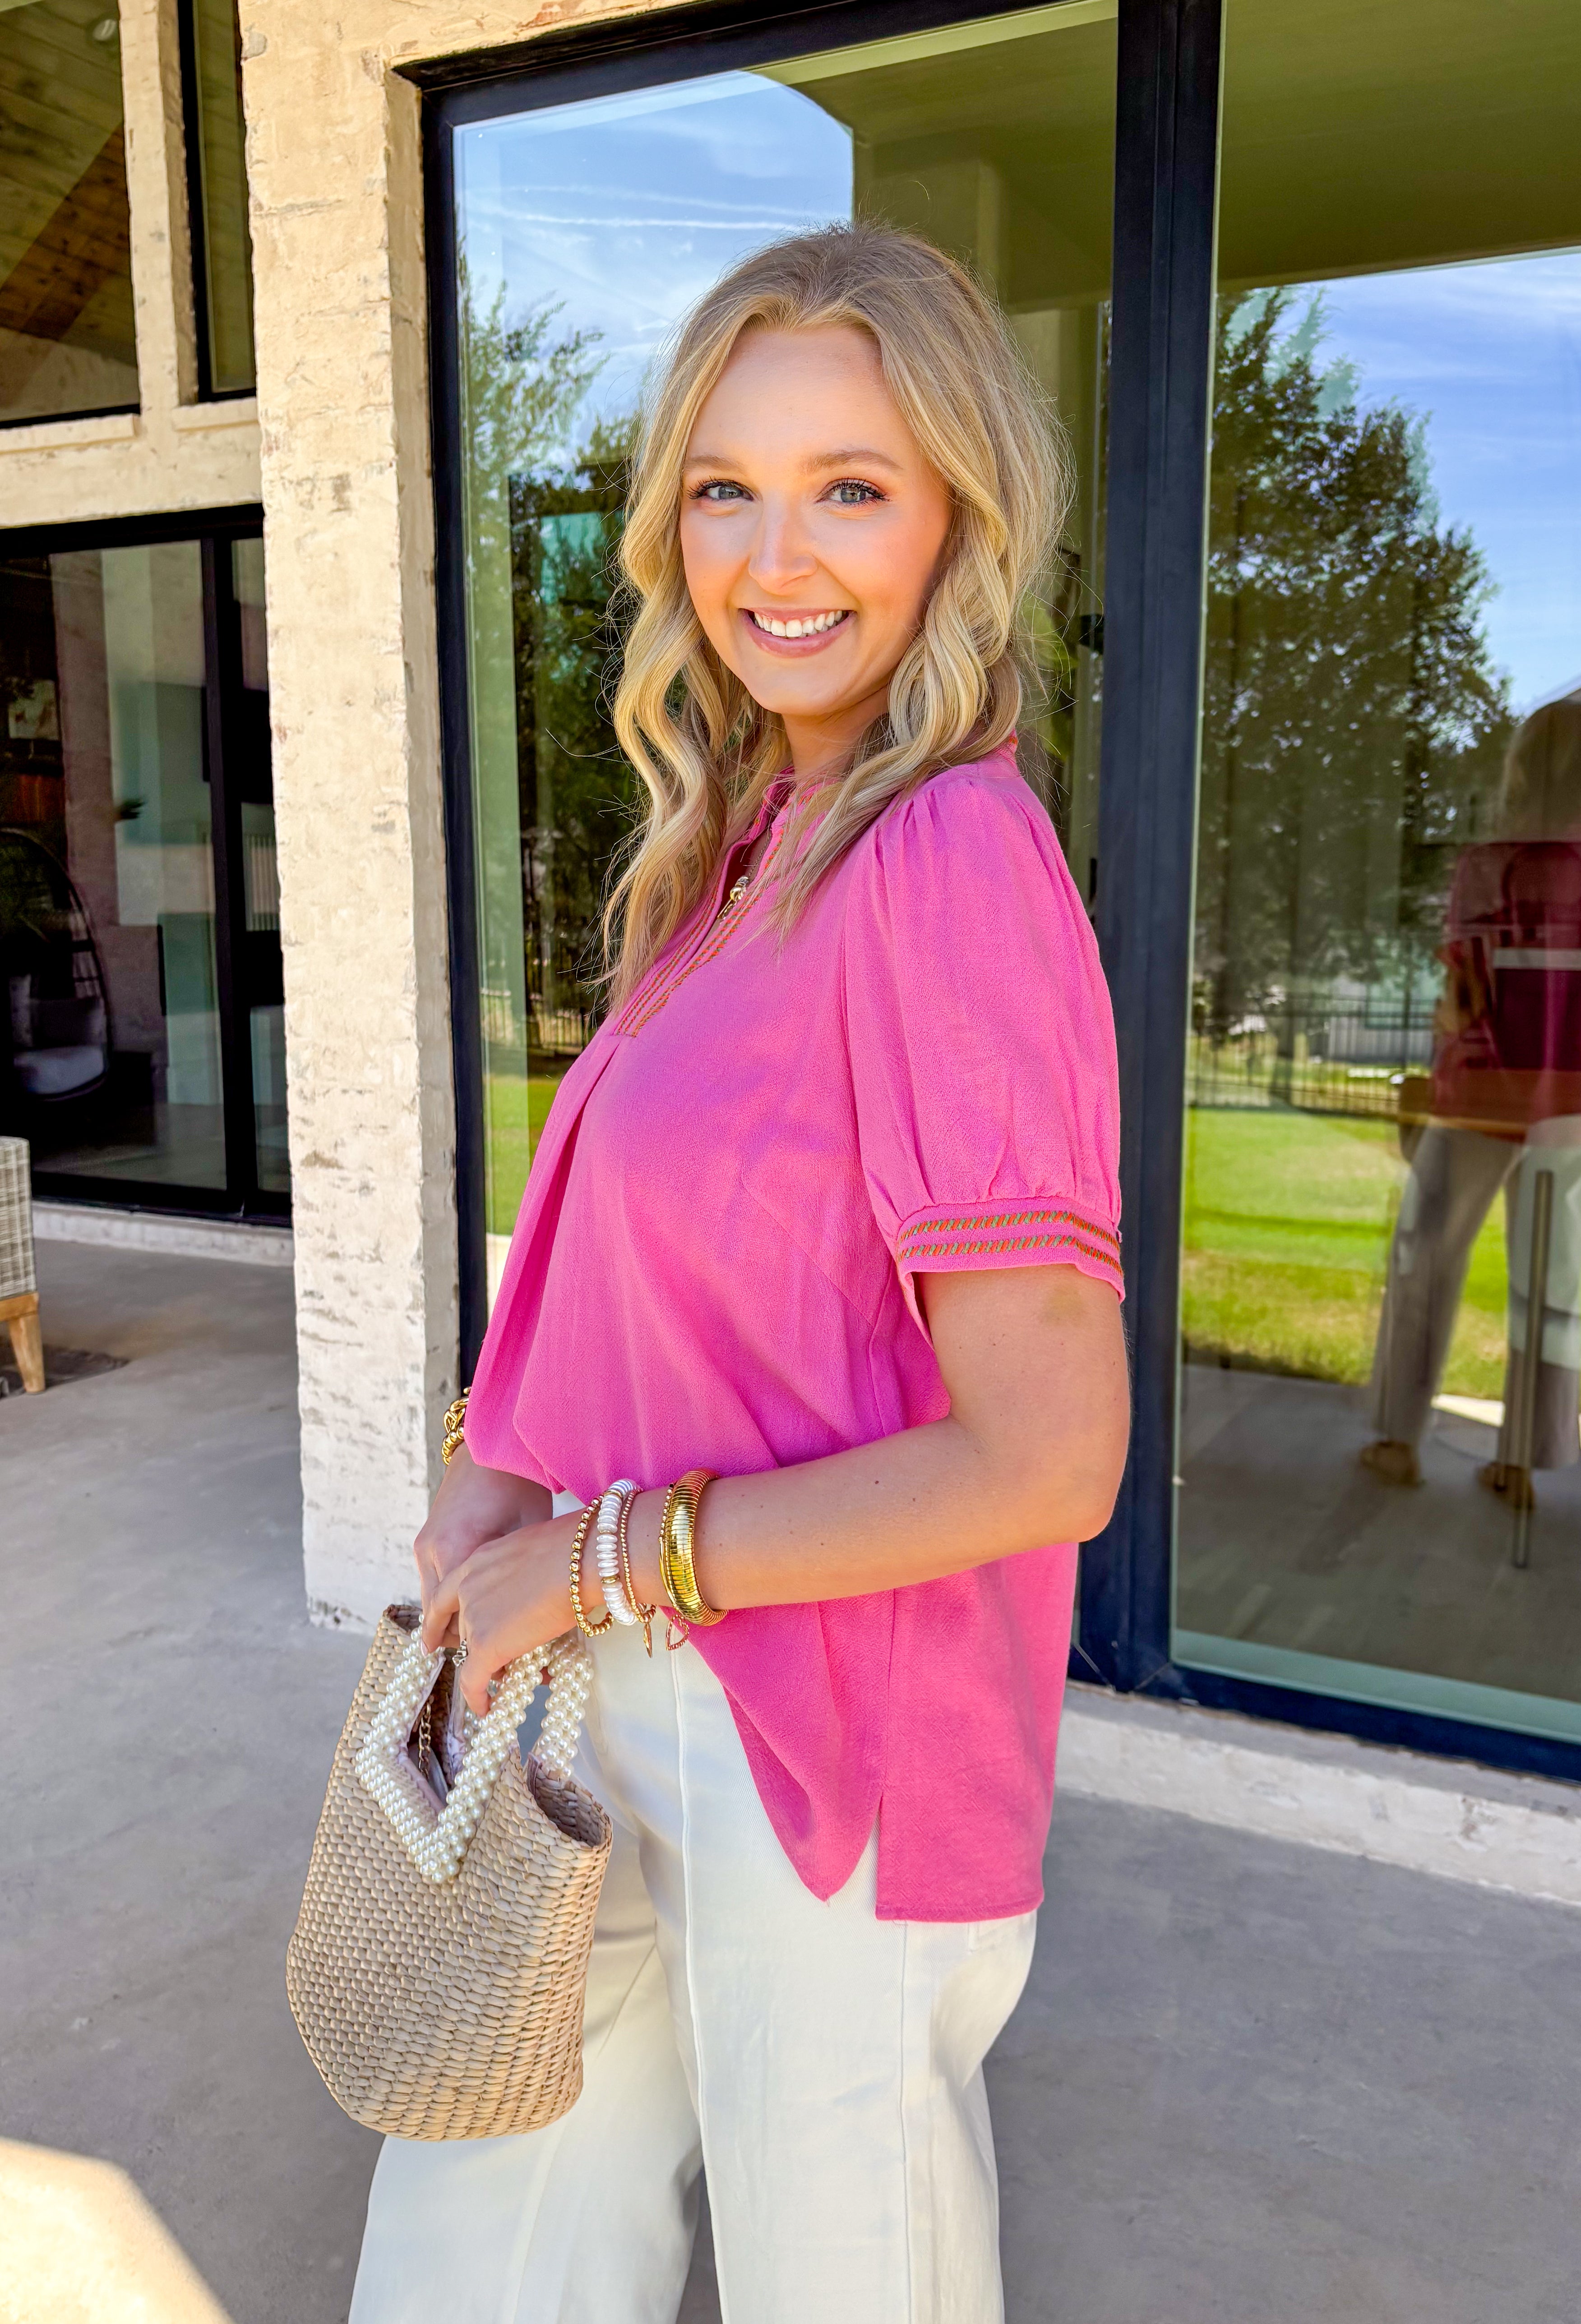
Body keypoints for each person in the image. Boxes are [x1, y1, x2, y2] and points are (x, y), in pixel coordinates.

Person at [349, 224, 1128, 2324]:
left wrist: (601, 1559)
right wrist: (496, 1487)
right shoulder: (737, 851)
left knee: (843, 2286)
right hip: (605, 1675)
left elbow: (1048, 1451)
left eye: (851, 487)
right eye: (725, 486)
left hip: (831, 1743)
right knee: (479, 2246)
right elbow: (649, 1277)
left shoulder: (946, 855)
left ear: (963, 515)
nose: (775, 558)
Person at [1363, 692, 1581, 1504]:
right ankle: (1522, 1459)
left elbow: (1462, 1004)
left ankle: (1396, 1440)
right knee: (1553, 1280)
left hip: (1480, 1097)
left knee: (1426, 1259)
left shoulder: (1491, 864)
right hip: (1572, 1108)